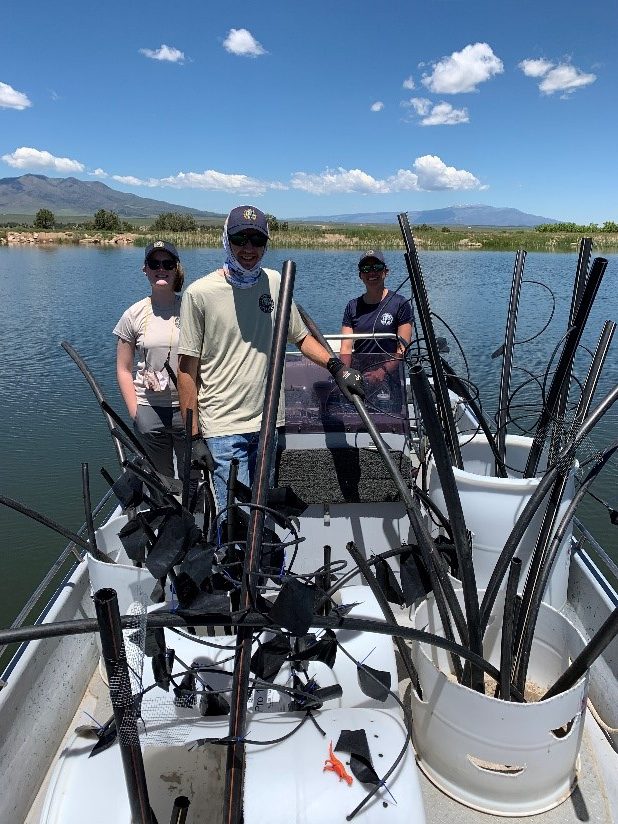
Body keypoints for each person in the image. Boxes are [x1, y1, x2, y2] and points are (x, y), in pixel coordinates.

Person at [177, 205, 364, 511]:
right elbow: (186, 369)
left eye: (257, 240)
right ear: (226, 239)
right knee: (233, 519)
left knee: (262, 513)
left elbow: (301, 338)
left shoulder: (276, 282)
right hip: (223, 427)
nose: (248, 249)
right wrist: (194, 434)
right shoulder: (200, 293)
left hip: (268, 424)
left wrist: (337, 367)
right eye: (240, 239)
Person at [114, 240, 186, 478]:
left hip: (188, 409)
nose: (160, 268)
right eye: (154, 263)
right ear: (145, 269)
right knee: (160, 482)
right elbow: (124, 369)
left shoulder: (192, 310)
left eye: (167, 263)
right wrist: (136, 413)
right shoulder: (133, 314)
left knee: (193, 481)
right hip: (149, 409)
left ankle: (195, 516)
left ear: (176, 267)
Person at [340, 250, 412, 405]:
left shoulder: (400, 304)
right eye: (366, 269)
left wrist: (382, 372)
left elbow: (403, 348)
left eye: (377, 267)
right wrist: (345, 374)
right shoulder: (352, 307)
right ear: (360, 275)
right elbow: (346, 347)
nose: (371, 272)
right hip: (360, 377)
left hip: (390, 377)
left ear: (386, 272)